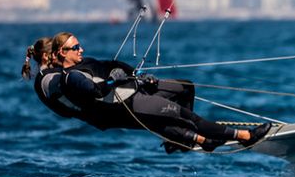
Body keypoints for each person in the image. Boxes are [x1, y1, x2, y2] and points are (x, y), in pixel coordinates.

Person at [51, 31, 271, 152]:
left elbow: (110, 64)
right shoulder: (72, 78)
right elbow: (96, 92)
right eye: (76, 48)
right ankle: (245, 136)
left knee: (184, 87)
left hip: (136, 89)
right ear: (62, 52)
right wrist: (112, 81)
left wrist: (136, 76)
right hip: (131, 104)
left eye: (80, 45)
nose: (81, 50)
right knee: (188, 118)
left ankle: (184, 139)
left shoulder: (85, 62)